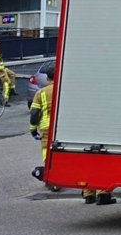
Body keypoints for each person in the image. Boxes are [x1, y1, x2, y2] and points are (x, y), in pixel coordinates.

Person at [29, 67, 115, 204]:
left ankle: (55, 182)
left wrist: (33, 129)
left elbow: (34, 114)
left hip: (46, 129)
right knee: (86, 157)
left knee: (49, 155)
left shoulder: (41, 93)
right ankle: (96, 192)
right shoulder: (67, 90)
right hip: (64, 128)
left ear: (47, 78)